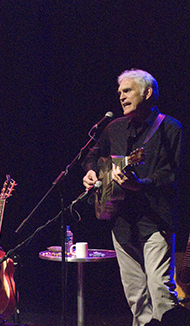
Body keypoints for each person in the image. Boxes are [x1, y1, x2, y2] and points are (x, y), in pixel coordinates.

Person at [83, 69, 186, 325]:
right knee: (136, 298)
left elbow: (174, 175)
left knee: (161, 292)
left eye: (127, 91)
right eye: (119, 93)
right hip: (120, 222)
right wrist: (91, 172)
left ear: (148, 92)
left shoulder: (170, 128)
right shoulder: (114, 128)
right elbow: (92, 155)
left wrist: (141, 185)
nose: (121, 97)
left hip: (155, 222)